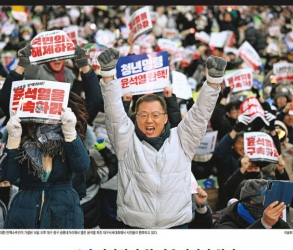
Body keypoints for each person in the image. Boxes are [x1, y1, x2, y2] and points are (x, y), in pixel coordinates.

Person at [97, 48, 227, 229]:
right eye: (143, 115)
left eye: (155, 114)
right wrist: (109, 76)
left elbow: (199, 116)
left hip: (176, 228)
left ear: (165, 118)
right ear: (136, 118)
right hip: (135, 228)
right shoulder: (126, 142)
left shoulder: (182, 140)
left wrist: (213, 82)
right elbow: (114, 115)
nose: (149, 119)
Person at [0, 91, 91, 229]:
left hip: (63, 206)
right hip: (26, 206)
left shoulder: (68, 131)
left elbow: (81, 166)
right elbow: (9, 175)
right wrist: (13, 140)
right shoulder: (22, 134)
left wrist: (70, 134)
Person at [213, 179, 289, 229]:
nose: (265, 205)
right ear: (246, 201)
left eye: (269, 201)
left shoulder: (277, 221)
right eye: (260, 202)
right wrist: (264, 224)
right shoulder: (229, 223)